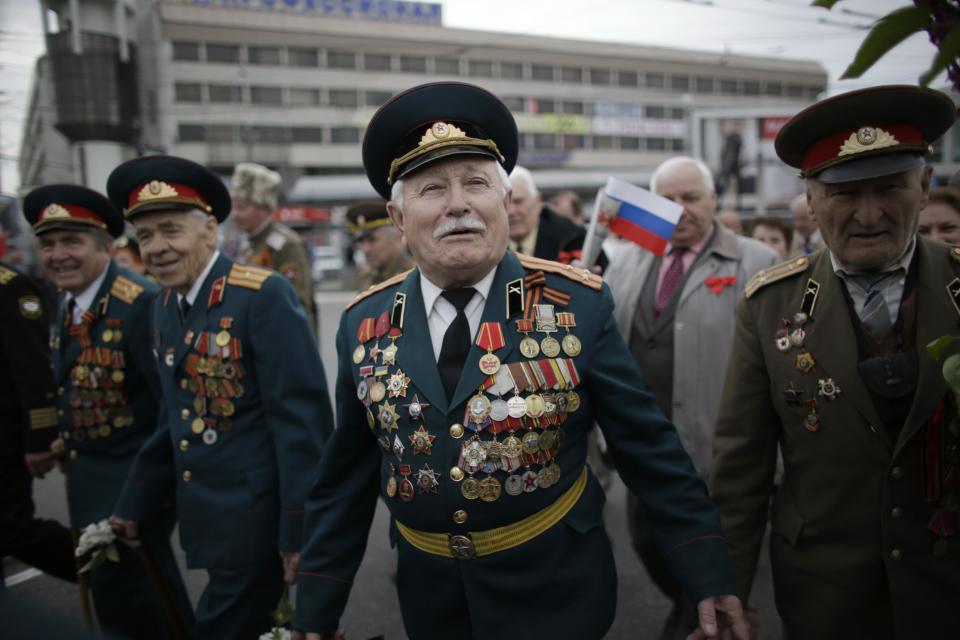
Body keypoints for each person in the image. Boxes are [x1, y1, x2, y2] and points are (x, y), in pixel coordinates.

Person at [293, 81, 748, 640]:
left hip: (556, 592)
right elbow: (344, 480)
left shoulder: (578, 304)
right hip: (431, 600)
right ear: (397, 216)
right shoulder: (363, 323)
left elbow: (649, 451)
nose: (458, 204)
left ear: (504, 202)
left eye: (477, 184)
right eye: (432, 189)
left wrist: (707, 573)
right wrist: (315, 607)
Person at [711, 85, 960, 638]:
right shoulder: (769, 303)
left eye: (889, 188)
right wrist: (727, 591)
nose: (868, 215)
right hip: (827, 595)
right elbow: (741, 469)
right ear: (811, 200)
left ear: (923, 187)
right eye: (845, 194)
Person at [105, 155, 334, 639]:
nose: (157, 248)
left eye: (170, 230)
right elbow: (175, 417)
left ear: (209, 230)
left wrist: (299, 533)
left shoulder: (260, 295)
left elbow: (302, 427)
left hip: (258, 527)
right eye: (145, 237)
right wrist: (133, 502)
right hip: (210, 518)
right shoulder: (164, 306)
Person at [606, 157, 777, 639]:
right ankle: (690, 606)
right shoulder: (627, 261)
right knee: (646, 544)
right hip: (644, 454)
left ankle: (694, 615)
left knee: (714, 557)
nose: (680, 210)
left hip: (719, 456)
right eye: (668, 199)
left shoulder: (757, 261)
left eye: (691, 197)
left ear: (714, 200)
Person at [22, 184, 193, 637]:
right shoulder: (69, 301)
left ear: (105, 246)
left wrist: (141, 501)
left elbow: (168, 411)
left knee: (144, 607)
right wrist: (70, 435)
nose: (58, 255)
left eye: (71, 242)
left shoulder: (138, 303)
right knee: (120, 605)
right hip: (89, 482)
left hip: (130, 490)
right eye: (48, 244)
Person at [0, 259, 76, 584]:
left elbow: (33, 367)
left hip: (5, 433)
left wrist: (40, 437)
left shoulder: (9, 287)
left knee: (11, 527)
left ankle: (102, 568)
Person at [230, 162, 317, 334]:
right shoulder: (248, 244)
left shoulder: (286, 244)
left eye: (242, 207)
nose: (235, 214)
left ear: (264, 208)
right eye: (234, 207)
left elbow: (296, 303)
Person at [508, 166, 606, 269]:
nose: (511, 211)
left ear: (537, 201)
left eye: (518, 202)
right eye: (504, 203)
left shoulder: (576, 240)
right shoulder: (490, 245)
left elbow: (607, 278)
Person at [345, 199, 414, 290]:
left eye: (372, 240)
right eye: (361, 241)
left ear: (396, 237)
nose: (366, 249)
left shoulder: (414, 276)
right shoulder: (366, 278)